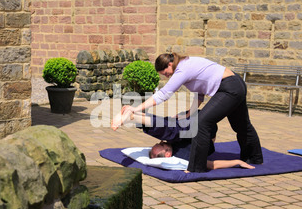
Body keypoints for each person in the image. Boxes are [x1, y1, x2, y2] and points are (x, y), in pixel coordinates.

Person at [112, 53, 263, 173]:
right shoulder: (185, 66)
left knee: (202, 122)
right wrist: (189, 113)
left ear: (170, 64)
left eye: (165, 73)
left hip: (230, 87)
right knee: (242, 126)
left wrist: (136, 108)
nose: (166, 76)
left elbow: (163, 94)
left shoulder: (182, 69)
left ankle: (197, 168)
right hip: (234, 84)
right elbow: (199, 93)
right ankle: (254, 158)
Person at [112, 105, 255, 170]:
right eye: (162, 145)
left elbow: (164, 125)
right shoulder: (186, 157)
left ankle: (134, 116)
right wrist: (236, 161)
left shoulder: (174, 146)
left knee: (169, 128)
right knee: (171, 130)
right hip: (206, 129)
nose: (162, 142)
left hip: (189, 120)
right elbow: (212, 165)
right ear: (167, 154)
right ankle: (133, 116)